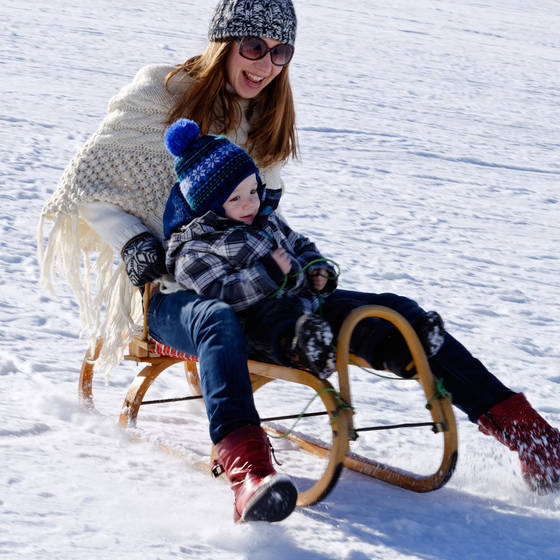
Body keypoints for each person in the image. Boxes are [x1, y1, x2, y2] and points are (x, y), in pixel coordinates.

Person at [37, 0, 558, 525]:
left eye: (280, 52)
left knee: (396, 313)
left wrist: (301, 266)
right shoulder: (159, 94)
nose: (266, 65)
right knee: (218, 322)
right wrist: (132, 242)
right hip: (171, 290)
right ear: (223, 43)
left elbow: (265, 215)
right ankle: (248, 472)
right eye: (254, 47)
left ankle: (535, 441)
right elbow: (90, 185)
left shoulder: (264, 115)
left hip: (261, 287)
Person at [163, 118, 339, 380]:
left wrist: (316, 267)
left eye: (253, 191)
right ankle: (302, 347)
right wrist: (267, 273)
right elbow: (220, 294)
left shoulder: (266, 219)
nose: (249, 205)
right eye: (235, 198)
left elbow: (299, 242)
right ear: (209, 207)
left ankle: (411, 333)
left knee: (355, 306)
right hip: (257, 321)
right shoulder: (196, 248)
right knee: (274, 321)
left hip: (309, 303)